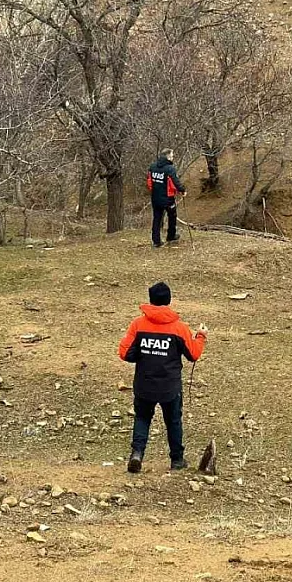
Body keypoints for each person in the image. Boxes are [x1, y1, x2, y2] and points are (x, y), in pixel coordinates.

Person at [117, 282, 206, 473]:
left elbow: (125, 353)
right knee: (173, 420)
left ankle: (137, 454)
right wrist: (200, 336)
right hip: (170, 386)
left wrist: (143, 354)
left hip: (144, 384)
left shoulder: (138, 325)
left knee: (142, 418)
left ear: (150, 300)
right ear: (169, 300)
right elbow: (194, 354)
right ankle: (177, 460)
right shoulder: (179, 328)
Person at [147, 149, 186, 248]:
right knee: (172, 216)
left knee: (157, 218)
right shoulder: (170, 169)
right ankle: (171, 236)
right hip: (167, 198)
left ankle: (156, 241)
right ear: (167, 156)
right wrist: (182, 190)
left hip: (155, 198)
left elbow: (149, 182)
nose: (173, 157)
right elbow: (175, 182)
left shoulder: (152, 167)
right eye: (172, 156)